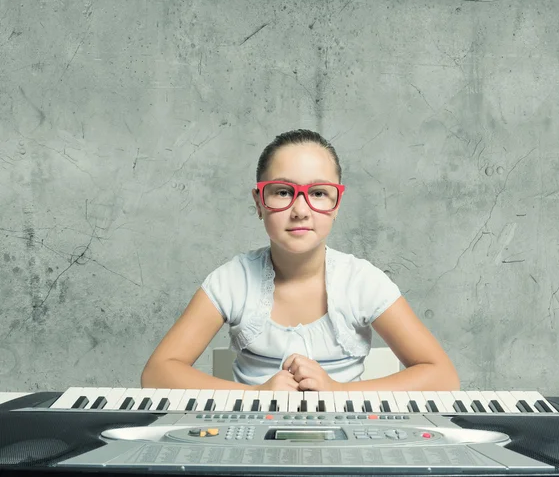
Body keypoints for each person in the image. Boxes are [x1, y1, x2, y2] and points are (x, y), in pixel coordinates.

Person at [141, 129, 459, 392]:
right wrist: (255, 395)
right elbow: (157, 373)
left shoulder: (362, 282)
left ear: (337, 204)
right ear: (259, 202)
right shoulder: (232, 280)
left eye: (319, 193)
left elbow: (443, 377)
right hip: (251, 445)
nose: (301, 210)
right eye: (282, 192)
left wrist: (338, 390)